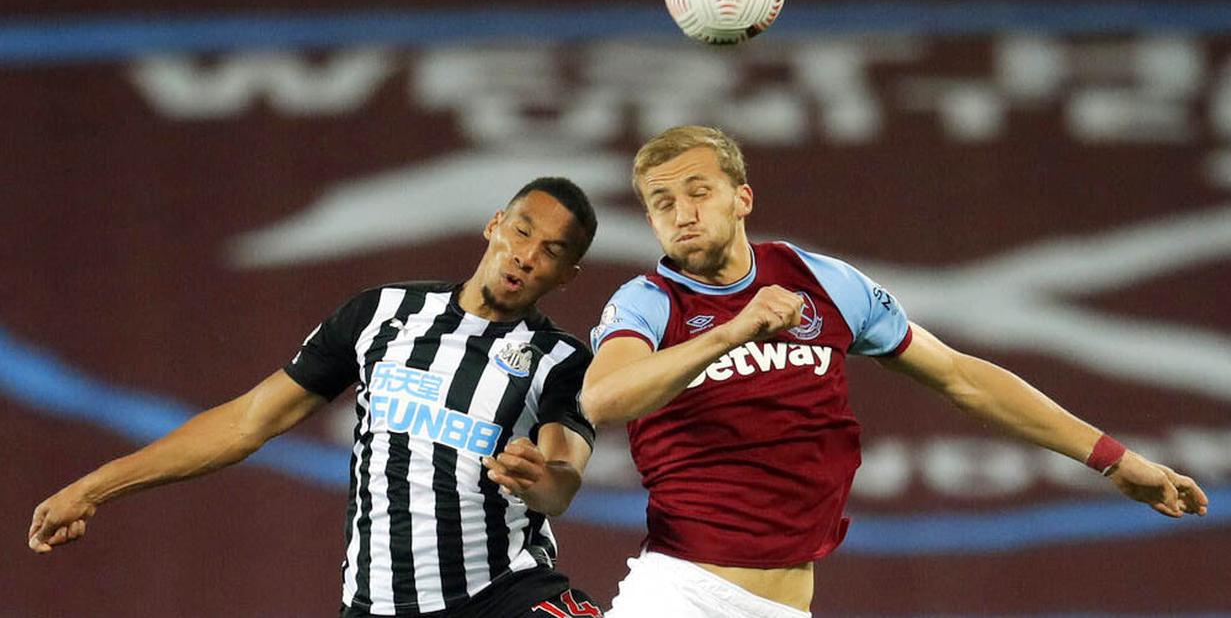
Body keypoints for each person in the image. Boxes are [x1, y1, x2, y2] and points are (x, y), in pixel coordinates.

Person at [581, 126, 1210, 618]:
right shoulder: (650, 302)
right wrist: (734, 330)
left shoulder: (822, 281)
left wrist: (1114, 459)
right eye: (662, 202)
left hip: (783, 601)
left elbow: (961, 377)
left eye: (698, 190)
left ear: (742, 197)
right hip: (683, 593)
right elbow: (604, 399)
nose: (682, 212)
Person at [29, 177, 606, 618]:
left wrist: (542, 482)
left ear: (568, 276)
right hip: (379, 603)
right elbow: (248, 422)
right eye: (523, 231)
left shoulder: (562, 359)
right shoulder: (381, 314)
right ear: (494, 225)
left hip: (502, 594)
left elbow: (562, 479)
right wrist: (94, 487)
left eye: (553, 251)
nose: (527, 255)